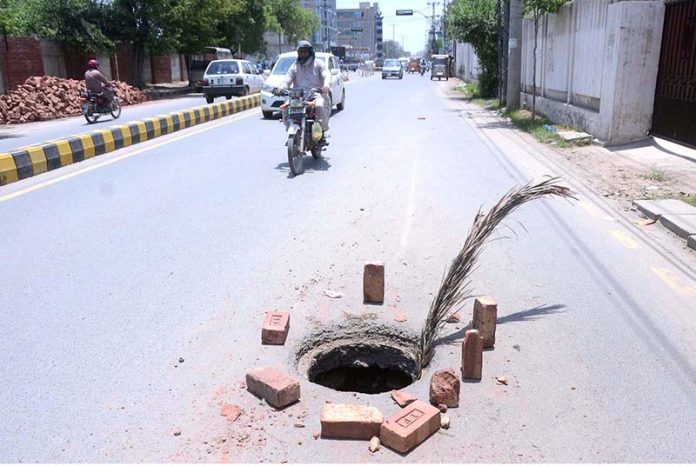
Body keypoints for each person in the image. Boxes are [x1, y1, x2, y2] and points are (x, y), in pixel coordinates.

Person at [273, 40, 331, 138]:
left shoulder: (318, 64)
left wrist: (326, 85)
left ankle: (323, 132)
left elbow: (326, 74)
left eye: (305, 51)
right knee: (286, 109)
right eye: (300, 52)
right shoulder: (294, 66)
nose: (302, 54)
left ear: (310, 52)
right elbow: (287, 79)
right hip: (298, 97)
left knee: (319, 107)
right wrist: (280, 89)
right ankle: (292, 133)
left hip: (315, 95)